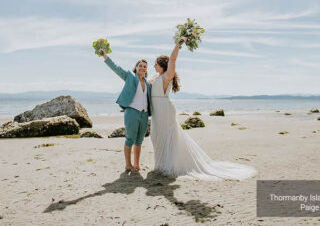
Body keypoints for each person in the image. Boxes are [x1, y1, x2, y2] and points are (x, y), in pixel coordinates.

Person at [149, 37, 257, 180]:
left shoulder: (167, 76)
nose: (153, 66)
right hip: (156, 111)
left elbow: (173, 60)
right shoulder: (157, 76)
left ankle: (169, 165)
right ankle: (161, 163)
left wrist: (178, 44)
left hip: (164, 109)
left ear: (162, 65)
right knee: (156, 136)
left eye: (155, 64)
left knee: (167, 137)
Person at [99, 48, 152, 172]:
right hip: (132, 112)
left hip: (144, 115)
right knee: (130, 138)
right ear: (136, 67)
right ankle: (128, 164)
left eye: (144, 66)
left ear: (146, 69)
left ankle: (137, 164)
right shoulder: (129, 77)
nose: (142, 68)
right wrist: (104, 55)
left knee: (139, 140)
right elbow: (116, 68)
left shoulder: (148, 83)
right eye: (140, 66)